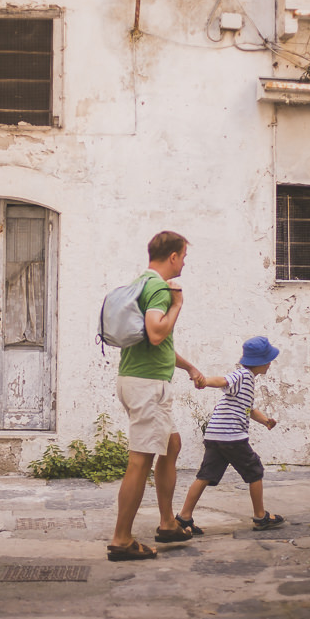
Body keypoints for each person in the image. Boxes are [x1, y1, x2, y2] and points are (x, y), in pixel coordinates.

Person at [107, 231, 204, 561]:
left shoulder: (143, 283)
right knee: (140, 460)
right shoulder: (162, 289)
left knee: (171, 444)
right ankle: (121, 540)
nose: (185, 262)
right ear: (173, 256)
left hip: (141, 380)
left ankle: (167, 523)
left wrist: (189, 367)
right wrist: (178, 304)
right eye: (184, 256)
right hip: (147, 386)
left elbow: (157, 343)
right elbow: (156, 331)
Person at [175, 336, 285, 535]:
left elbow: (249, 409)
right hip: (232, 436)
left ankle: (183, 517)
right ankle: (261, 517)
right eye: (268, 359)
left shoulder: (248, 381)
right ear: (259, 362)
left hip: (215, 435)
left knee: (205, 476)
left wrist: (266, 420)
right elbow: (224, 380)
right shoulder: (242, 375)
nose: (270, 363)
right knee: (255, 471)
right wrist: (205, 381)